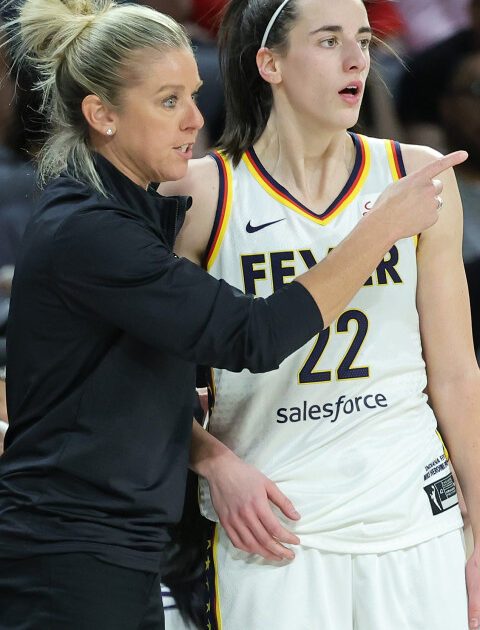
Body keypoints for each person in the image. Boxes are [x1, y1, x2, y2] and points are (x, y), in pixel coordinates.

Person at [0, 0, 453, 628]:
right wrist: (379, 231)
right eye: (168, 101)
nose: (193, 118)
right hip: (73, 550)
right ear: (101, 114)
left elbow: (134, 382)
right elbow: (251, 335)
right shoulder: (96, 230)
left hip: (121, 544)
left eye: (193, 95)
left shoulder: (125, 215)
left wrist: (207, 452)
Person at [160, 0, 480, 628]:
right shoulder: (200, 193)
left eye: (362, 38)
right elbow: (147, 377)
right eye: (329, 40)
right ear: (270, 63)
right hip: (271, 524)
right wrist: (211, 462)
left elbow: (456, 372)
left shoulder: (417, 174)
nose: (358, 59)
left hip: (413, 510)